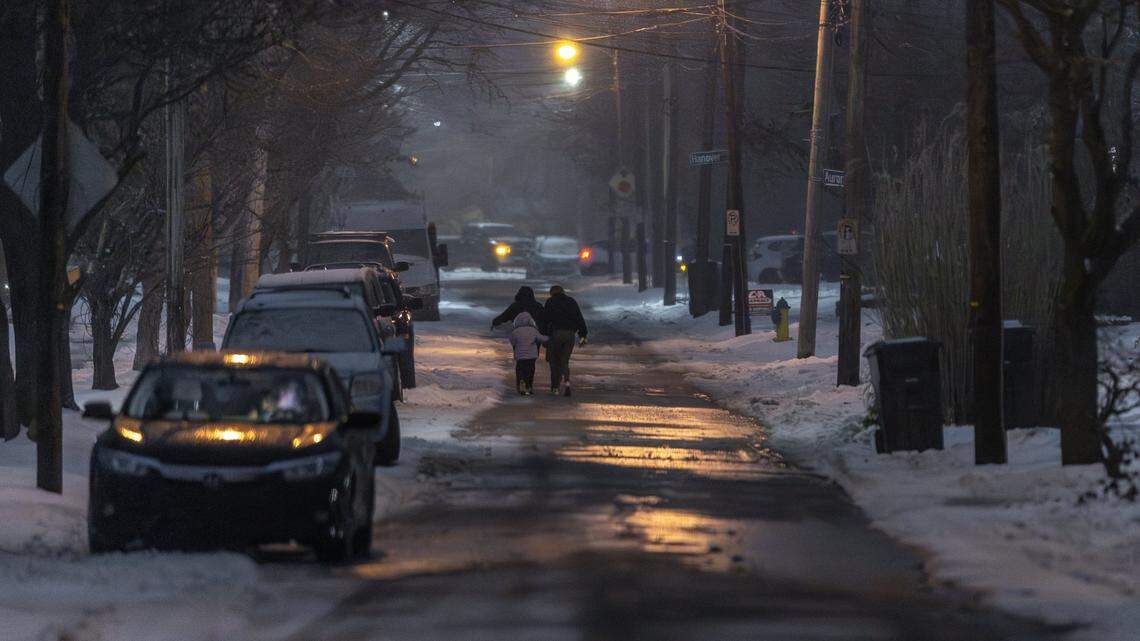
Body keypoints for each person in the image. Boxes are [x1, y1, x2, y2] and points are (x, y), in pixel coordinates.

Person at [543, 285, 587, 396]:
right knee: (564, 361)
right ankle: (567, 383)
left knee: (554, 362)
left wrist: (544, 336)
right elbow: (579, 318)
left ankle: (555, 388)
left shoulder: (550, 301)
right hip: (570, 335)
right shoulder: (571, 301)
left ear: (552, 293)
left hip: (556, 334)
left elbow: (545, 320)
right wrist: (583, 335)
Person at [508, 312, 548, 396]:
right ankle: (529, 386)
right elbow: (541, 339)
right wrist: (550, 337)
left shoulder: (515, 331)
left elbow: (512, 342)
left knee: (520, 370)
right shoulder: (534, 330)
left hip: (520, 356)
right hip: (531, 356)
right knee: (530, 371)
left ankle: (521, 382)